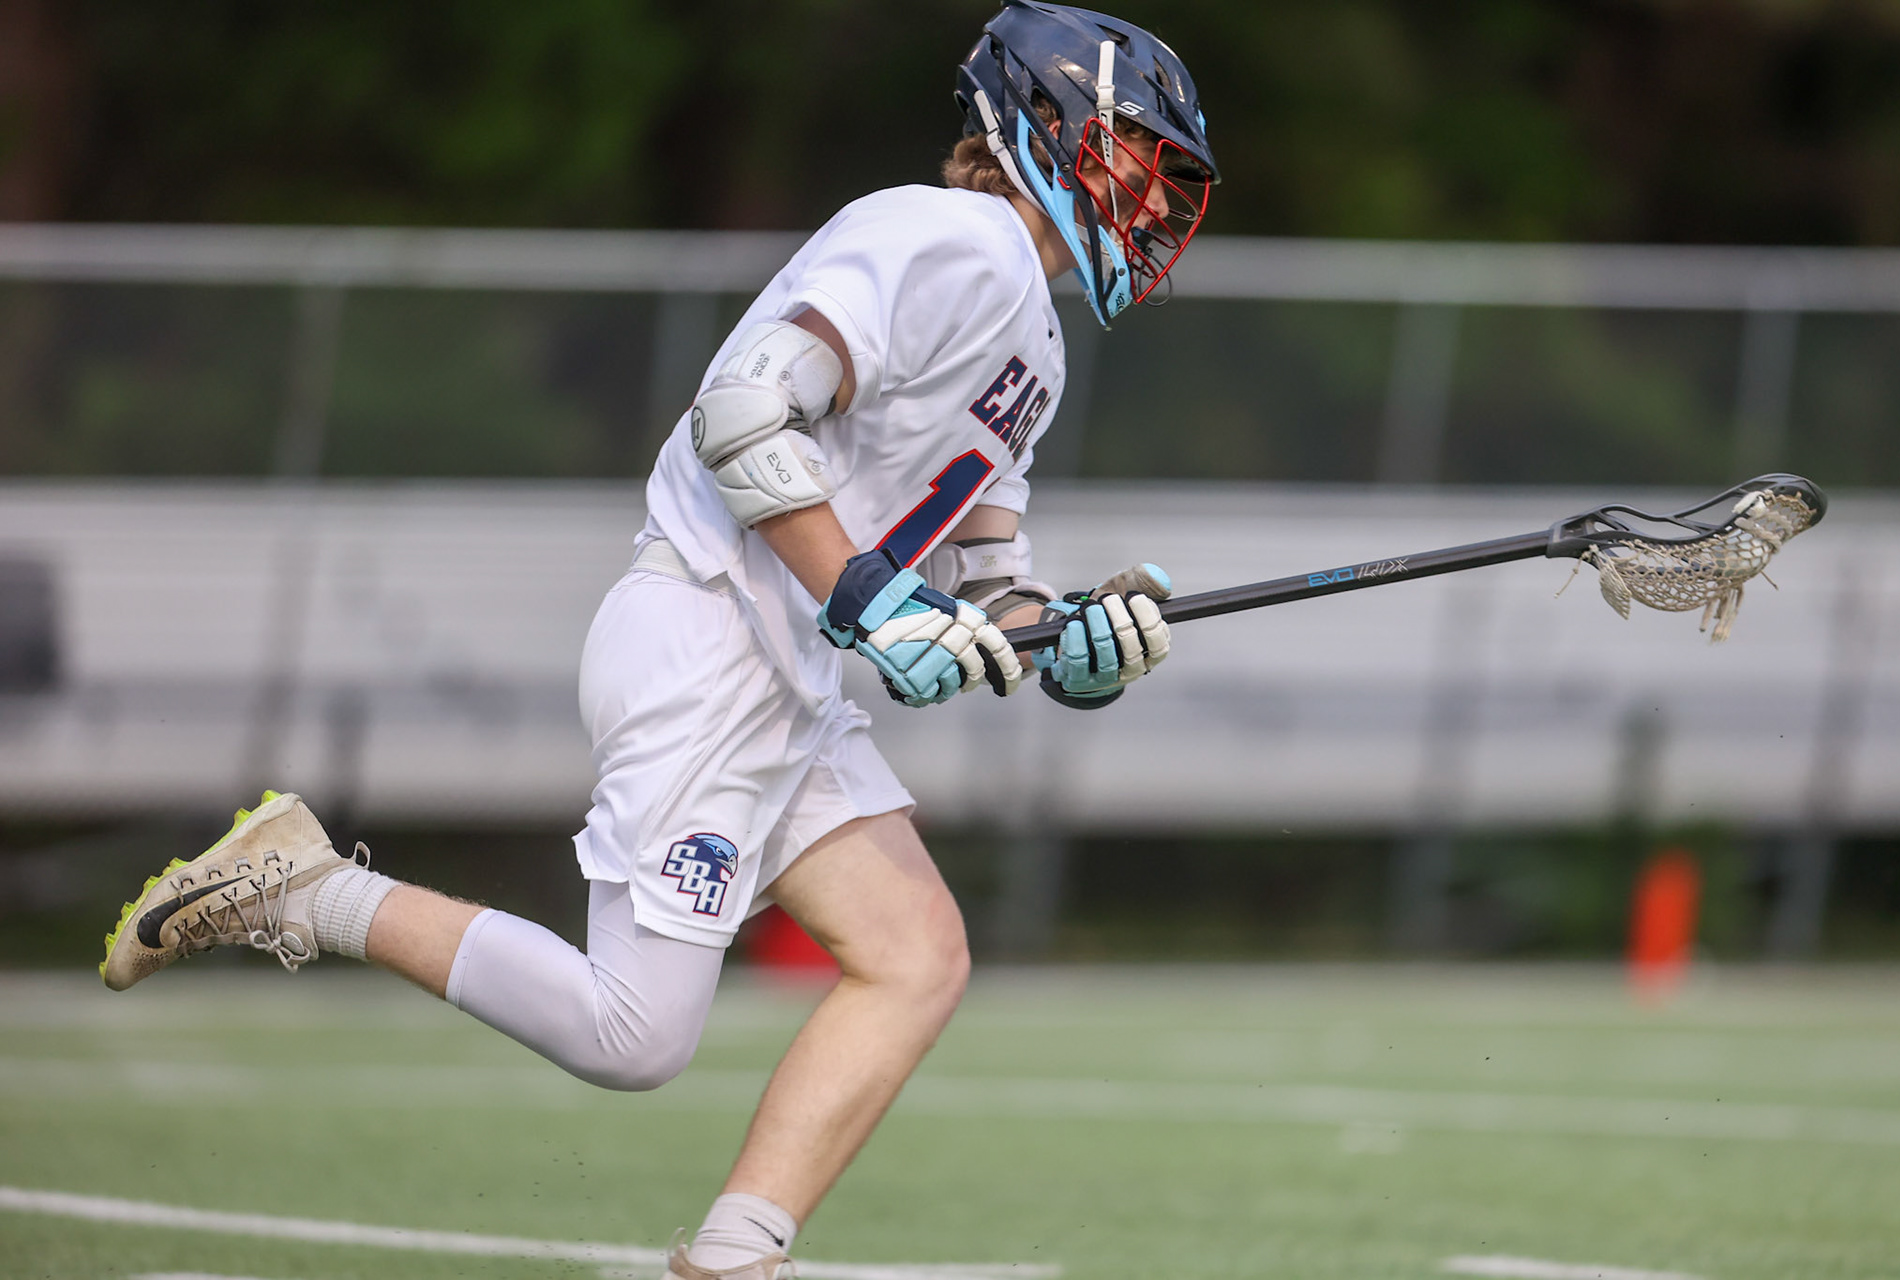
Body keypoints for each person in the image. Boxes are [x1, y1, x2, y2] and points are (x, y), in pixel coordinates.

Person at [98, 4, 1219, 1277]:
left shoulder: (1037, 335)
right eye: (1135, 155)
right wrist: (862, 596)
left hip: (782, 666)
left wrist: (1079, 643)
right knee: (630, 1034)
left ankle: (733, 1256)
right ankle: (306, 885)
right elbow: (741, 417)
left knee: (915, 955)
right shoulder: (949, 238)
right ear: (1050, 127)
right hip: (708, 633)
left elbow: (993, 585)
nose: (1151, 197)